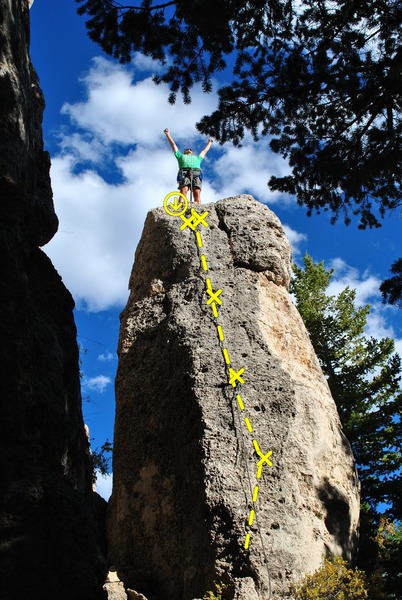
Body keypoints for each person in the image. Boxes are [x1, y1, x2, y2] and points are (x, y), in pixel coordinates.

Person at [164, 128, 213, 204]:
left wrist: (210, 142)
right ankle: (180, 207)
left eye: (190, 149)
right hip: (184, 173)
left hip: (196, 173)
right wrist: (168, 134)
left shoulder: (197, 158)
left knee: (197, 192)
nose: (189, 149)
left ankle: (198, 208)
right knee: (183, 192)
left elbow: (204, 151)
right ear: (184, 152)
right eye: (187, 149)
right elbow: (173, 145)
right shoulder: (180, 156)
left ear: (192, 152)